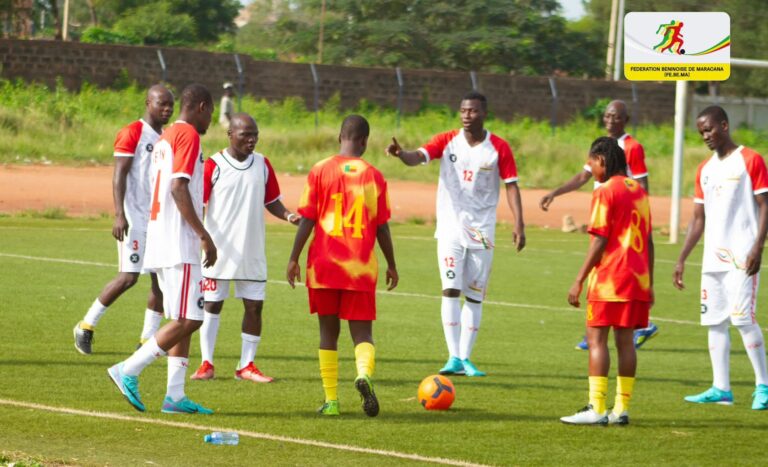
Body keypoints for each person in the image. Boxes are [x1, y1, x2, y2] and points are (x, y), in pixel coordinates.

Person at [387, 91, 525, 377]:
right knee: (450, 289)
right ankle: (452, 358)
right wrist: (402, 155)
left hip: (482, 231)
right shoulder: (446, 140)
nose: (466, 115)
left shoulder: (498, 147)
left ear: (483, 113)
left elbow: (511, 185)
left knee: (474, 295)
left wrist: (519, 223)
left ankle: (466, 358)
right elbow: (419, 156)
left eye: (472, 111)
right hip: (450, 228)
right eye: (463, 110)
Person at [107, 84, 217, 415]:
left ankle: (175, 396)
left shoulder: (164, 138)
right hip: (177, 242)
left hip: (160, 239)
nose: (211, 119)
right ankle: (128, 369)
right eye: (210, 112)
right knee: (190, 318)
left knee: (183, 317)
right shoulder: (187, 136)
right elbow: (177, 187)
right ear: (201, 106)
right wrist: (203, 234)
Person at [287, 115, 398, 417]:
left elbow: (307, 218)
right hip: (359, 267)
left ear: (340, 137)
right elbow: (382, 227)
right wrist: (391, 264)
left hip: (323, 266)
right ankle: (363, 374)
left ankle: (332, 401)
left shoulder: (320, 170)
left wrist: (294, 257)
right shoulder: (374, 176)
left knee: (327, 332)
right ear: (364, 141)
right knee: (362, 334)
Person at [539, 99, 659, 351]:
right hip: (603, 212)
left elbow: (641, 184)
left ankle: (612, 331)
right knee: (600, 270)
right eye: (607, 116)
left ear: (625, 119)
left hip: (619, 218)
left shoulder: (632, 147)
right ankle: (596, 331)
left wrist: (637, 211)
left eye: (616, 116)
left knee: (607, 267)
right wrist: (555, 192)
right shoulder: (601, 146)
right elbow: (583, 176)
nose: (610, 120)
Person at [190, 113, 301, 383]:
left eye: (255, 135)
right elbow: (198, 204)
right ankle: (206, 363)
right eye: (245, 135)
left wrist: (288, 216)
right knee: (212, 307)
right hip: (218, 253)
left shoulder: (262, 164)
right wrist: (202, 238)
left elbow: (271, 200)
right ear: (230, 135)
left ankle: (246, 365)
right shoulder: (214, 165)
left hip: (251, 252)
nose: (251, 140)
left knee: (254, 307)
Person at [673, 105, 768, 410]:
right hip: (713, 259)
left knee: (743, 319)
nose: (705, 136)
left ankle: (763, 386)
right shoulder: (705, 169)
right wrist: (682, 258)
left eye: (709, 129)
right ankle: (721, 388)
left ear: (724, 126)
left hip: (742, 256)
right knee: (714, 321)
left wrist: (758, 247)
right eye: (701, 132)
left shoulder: (751, 160)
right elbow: (698, 219)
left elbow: (765, 205)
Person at [74, 85, 174, 355]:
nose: (166, 109)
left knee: (159, 280)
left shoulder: (167, 137)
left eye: (170, 106)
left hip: (157, 220)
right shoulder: (133, 132)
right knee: (129, 277)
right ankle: (86, 325)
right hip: (134, 218)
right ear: (148, 103)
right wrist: (119, 214)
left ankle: (146, 341)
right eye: (161, 104)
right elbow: (119, 174)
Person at [561, 137, 654, 425]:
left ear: (602, 159)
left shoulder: (605, 191)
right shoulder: (638, 190)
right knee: (626, 342)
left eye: (591, 162)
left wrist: (579, 279)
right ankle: (621, 410)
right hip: (637, 279)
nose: (590, 168)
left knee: (596, 339)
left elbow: (600, 238)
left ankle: (597, 408)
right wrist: (648, 282)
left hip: (610, 278)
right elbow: (649, 241)